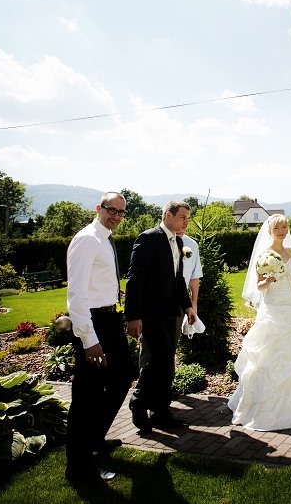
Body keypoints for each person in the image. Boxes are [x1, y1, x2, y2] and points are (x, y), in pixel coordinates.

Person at [228, 214, 291, 431]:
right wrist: (269, 279)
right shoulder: (264, 255)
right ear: (270, 230)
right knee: (268, 355)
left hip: (290, 306)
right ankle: (265, 406)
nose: (281, 230)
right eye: (277, 227)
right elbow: (260, 287)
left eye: (284, 226)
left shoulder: (290, 252)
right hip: (273, 308)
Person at [64, 191, 132, 483]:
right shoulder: (87, 239)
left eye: (120, 212)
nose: (115, 216)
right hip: (92, 324)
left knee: (124, 374)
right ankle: (78, 468)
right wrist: (89, 340)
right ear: (98, 208)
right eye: (110, 210)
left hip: (109, 317)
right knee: (87, 396)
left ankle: (94, 438)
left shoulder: (105, 238)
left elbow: (96, 281)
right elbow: (76, 296)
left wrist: (112, 292)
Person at [125, 200, 196, 433]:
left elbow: (177, 281)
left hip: (171, 312)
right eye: (183, 217)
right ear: (168, 214)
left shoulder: (177, 241)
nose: (186, 221)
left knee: (167, 361)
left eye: (188, 217)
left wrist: (188, 307)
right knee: (161, 357)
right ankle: (138, 400)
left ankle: (160, 411)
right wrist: (133, 316)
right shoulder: (148, 238)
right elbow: (134, 279)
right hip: (150, 313)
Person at [138, 228, 202, 371]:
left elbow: (194, 277)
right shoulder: (153, 240)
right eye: (181, 218)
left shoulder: (191, 244)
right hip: (155, 304)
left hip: (179, 303)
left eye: (187, 219)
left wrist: (193, 305)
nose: (184, 224)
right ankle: (144, 388)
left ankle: (166, 385)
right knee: (149, 349)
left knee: (170, 347)